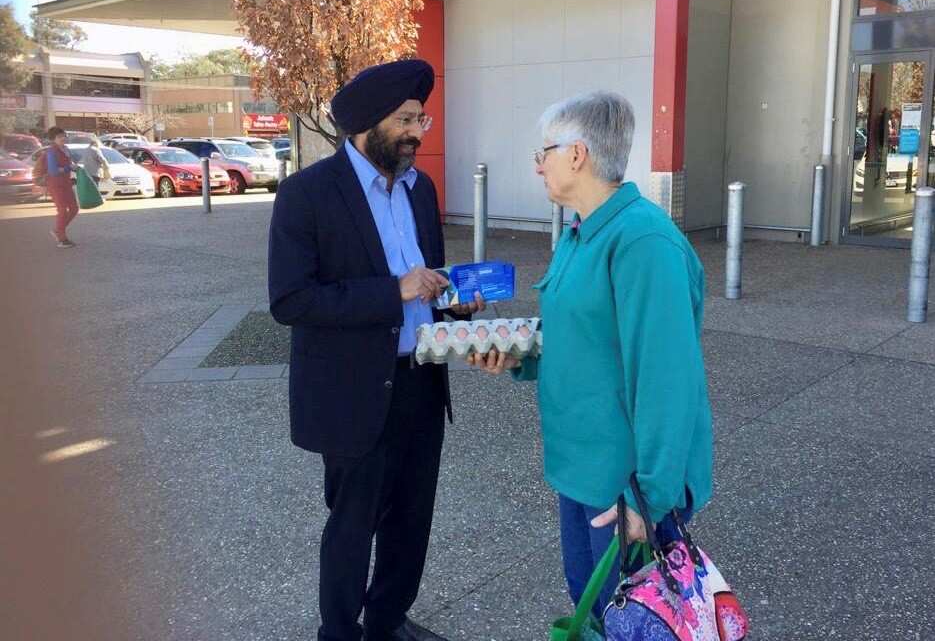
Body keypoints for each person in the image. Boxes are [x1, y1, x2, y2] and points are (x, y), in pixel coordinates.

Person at [468, 91, 714, 620]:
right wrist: (520, 359)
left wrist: (650, 499)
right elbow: (583, 340)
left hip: (625, 487)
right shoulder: (581, 232)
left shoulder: (643, 241)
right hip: (580, 471)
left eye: (544, 153)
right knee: (594, 613)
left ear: (577, 154)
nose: (538, 165)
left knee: (633, 621)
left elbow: (666, 380)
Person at [268, 59, 485, 641]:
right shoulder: (306, 195)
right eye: (407, 120)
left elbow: (427, 280)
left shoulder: (421, 188)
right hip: (351, 393)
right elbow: (291, 300)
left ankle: (387, 622)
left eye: (422, 119)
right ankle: (338, 632)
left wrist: (452, 302)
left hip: (420, 378)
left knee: (411, 521)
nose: (419, 132)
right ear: (366, 126)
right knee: (352, 524)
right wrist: (393, 292)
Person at [45, 126, 78, 248]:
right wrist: (69, 168)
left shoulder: (66, 149)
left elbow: (69, 163)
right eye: (59, 137)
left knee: (74, 209)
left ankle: (58, 229)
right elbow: (53, 171)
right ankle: (62, 239)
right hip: (55, 184)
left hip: (66, 183)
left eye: (64, 135)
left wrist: (74, 166)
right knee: (63, 211)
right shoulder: (51, 151)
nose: (63, 138)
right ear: (53, 139)